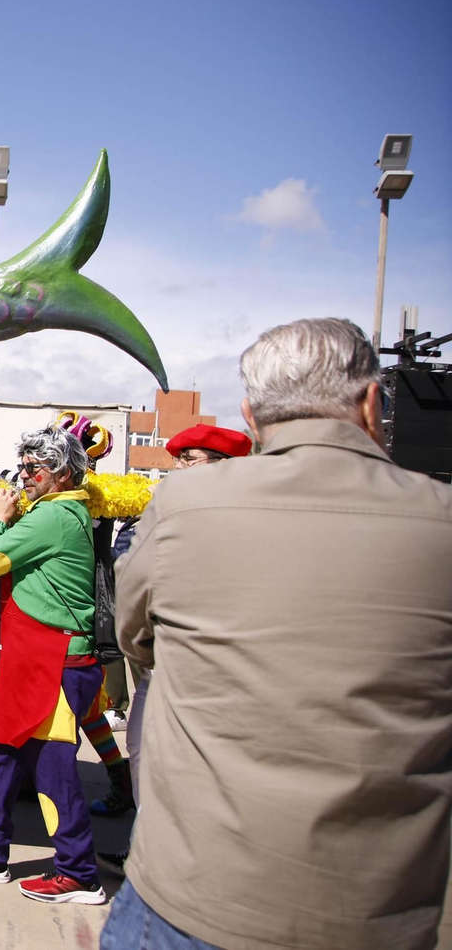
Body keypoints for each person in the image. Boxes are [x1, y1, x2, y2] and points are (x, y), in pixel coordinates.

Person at [103, 318, 452, 950]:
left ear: (251, 414)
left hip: (189, 901)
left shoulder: (183, 511)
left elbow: (136, 639)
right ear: (373, 402)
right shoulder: (440, 521)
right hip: (374, 918)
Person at [0, 426, 106, 905]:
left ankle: (79, 873)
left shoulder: (55, 516)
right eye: (23, 467)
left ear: (63, 474)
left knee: (54, 772)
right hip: (31, 657)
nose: (24, 476)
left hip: (56, 661)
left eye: (35, 469)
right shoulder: (55, 510)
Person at [94, 422, 252, 875]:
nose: (179, 467)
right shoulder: (167, 509)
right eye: (179, 459)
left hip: (213, 666)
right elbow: (132, 579)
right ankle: (149, 853)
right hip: (160, 662)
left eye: (191, 459)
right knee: (143, 750)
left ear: (225, 466)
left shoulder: (239, 517)